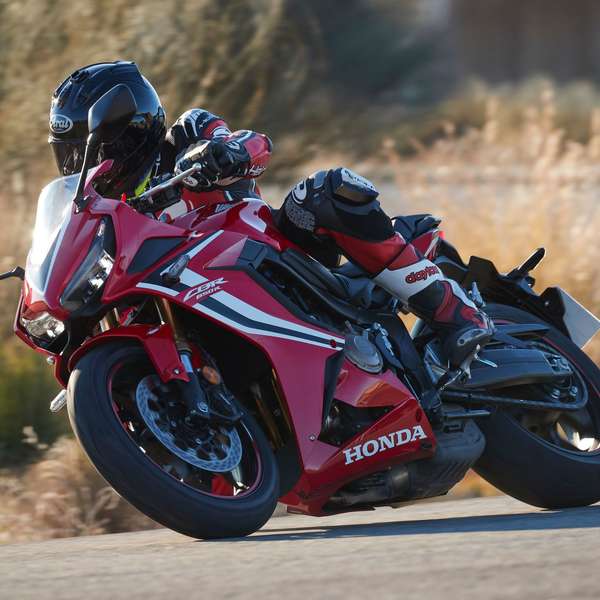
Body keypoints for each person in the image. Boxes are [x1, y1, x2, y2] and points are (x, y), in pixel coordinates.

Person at [48, 60, 492, 368]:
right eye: (69, 155)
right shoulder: (109, 217)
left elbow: (254, 145)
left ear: (124, 131)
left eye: (86, 149)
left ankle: (455, 313)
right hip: (198, 298)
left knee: (323, 191)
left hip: (275, 257)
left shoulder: (186, 135)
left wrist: (225, 154)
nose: (81, 164)